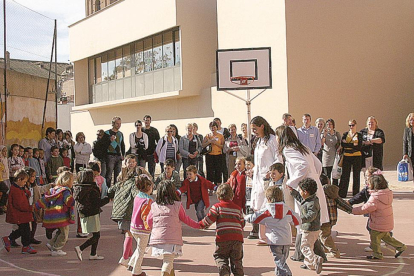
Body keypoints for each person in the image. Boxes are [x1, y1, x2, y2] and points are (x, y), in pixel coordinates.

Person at [274, 125, 329, 262]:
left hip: (303, 189)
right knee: (308, 221)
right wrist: (314, 177)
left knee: (303, 220)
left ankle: (305, 255)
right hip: (312, 184)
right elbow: (318, 165)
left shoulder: (288, 149)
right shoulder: (303, 147)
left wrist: (291, 183)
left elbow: (302, 166)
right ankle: (305, 254)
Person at [147, 180, 200, 276]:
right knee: (167, 261)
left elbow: (149, 220)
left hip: (157, 237)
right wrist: (199, 225)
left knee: (168, 260)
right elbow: (186, 219)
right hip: (172, 238)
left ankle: (169, 273)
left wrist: (152, 229)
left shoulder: (154, 206)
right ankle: (164, 272)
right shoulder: (177, 205)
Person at [245, 186, 301, 276]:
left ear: (268, 198)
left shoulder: (266, 211)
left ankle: (287, 274)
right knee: (282, 260)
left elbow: (253, 218)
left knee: (279, 262)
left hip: (274, 240)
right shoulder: (288, 210)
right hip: (287, 239)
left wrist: (244, 217)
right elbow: (297, 220)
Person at [107, 155, 151, 267]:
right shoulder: (134, 184)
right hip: (127, 212)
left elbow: (110, 190)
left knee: (128, 234)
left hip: (119, 212)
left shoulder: (122, 182)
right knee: (129, 235)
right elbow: (137, 196)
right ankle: (125, 257)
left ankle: (129, 255)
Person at [352, 174, 407, 260]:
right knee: (387, 237)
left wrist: (352, 210)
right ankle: (401, 246)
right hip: (387, 222)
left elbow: (365, 208)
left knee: (375, 240)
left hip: (377, 223)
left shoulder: (375, 197)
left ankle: (377, 254)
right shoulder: (387, 193)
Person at [199, 184, 245, 276]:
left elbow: (208, 220)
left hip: (223, 238)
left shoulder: (217, 207)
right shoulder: (238, 209)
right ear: (232, 196)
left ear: (218, 195)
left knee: (220, 256)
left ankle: (224, 272)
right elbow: (242, 224)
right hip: (237, 239)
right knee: (237, 261)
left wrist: (200, 225)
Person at [250, 116, 282, 244]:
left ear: (262, 126)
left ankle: (270, 235)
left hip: (268, 178)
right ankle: (262, 236)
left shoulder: (272, 140)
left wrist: (272, 171)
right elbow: (258, 161)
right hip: (258, 178)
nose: (254, 131)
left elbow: (278, 158)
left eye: (255, 128)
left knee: (268, 206)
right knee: (258, 206)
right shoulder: (258, 141)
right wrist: (252, 170)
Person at [35, 171, 75, 256]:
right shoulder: (65, 191)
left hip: (52, 215)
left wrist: (36, 206)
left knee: (60, 232)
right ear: (67, 181)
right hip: (62, 215)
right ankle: (57, 249)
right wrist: (73, 201)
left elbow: (44, 199)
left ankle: (51, 243)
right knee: (64, 234)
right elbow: (68, 201)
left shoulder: (53, 190)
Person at [73, 169, 110, 261]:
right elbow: (97, 203)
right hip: (92, 213)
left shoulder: (78, 188)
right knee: (96, 235)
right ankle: (80, 248)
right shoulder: (92, 189)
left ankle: (93, 253)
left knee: (96, 233)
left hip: (84, 213)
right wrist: (107, 199)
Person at [289, 178, 324, 274]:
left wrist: (300, 219)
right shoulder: (310, 199)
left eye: (300, 190)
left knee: (304, 247)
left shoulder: (312, 203)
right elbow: (300, 199)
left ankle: (315, 259)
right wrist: (294, 192)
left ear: (305, 192)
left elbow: (311, 215)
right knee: (309, 246)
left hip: (310, 229)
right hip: (312, 229)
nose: (300, 192)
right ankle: (310, 264)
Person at [2, 169, 37, 254]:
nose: (25, 183)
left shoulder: (18, 187)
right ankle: (26, 246)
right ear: (19, 180)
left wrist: (27, 192)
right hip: (19, 214)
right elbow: (19, 205)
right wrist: (30, 208)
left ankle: (10, 239)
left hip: (21, 214)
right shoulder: (15, 190)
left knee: (22, 230)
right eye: (24, 181)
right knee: (26, 230)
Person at [319, 174, 352, 258]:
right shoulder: (333, 193)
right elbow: (341, 203)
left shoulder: (320, 194)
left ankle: (334, 252)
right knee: (323, 235)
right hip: (331, 218)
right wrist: (350, 210)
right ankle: (325, 249)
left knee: (324, 236)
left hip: (323, 219)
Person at [129, 174, 154, 276]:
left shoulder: (137, 196)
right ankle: (137, 270)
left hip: (134, 227)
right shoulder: (148, 200)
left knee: (139, 247)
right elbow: (147, 216)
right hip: (143, 229)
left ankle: (131, 263)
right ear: (149, 187)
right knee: (141, 250)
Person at [24, 167, 54, 245]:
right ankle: (12, 238)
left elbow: (40, 189)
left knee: (34, 222)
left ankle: (31, 238)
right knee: (21, 227)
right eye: (32, 176)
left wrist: (50, 186)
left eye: (34, 176)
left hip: (32, 207)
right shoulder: (23, 186)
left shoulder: (33, 186)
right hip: (24, 208)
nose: (34, 178)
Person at [339, 119, 363, 198]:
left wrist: (348, 144)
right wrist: (353, 145)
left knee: (356, 175)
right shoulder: (345, 134)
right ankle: (342, 193)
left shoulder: (359, 135)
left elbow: (359, 146)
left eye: (353, 125)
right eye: (350, 125)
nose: (351, 127)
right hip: (347, 156)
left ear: (356, 125)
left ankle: (356, 194)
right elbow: (343, 145)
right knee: (345, 175)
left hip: (357, 156)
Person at [105, 116, 125, 187]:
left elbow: (122, 145)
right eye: (117, 123)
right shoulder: (107, 133)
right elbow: (103, 144)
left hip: (118, 156)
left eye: (120, 123)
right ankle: (107, 190)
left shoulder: (120, 134)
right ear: (113, 123)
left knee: (118, 175)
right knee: (109, 175)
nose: (119, 125)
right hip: (110, 155)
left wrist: (123, 154)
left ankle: (116, 191)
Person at [202, 121, 225, 185]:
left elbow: (222, 146)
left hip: (218, 155)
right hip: (209, 155)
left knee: (218, 171)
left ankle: (218, 185)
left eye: (214, 127)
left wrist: (216, 143)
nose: (213, 129)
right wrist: (209, 142)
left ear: (217, 127)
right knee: (210, 171)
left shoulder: (221, 136)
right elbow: (203, 145)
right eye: (211, 127)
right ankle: (210, 187)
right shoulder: (207, 136)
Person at [321, 119, 342, 186]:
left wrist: (339, 148)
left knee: (335, 175)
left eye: (330, 124)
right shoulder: (324, 133)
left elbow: (341, 143)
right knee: (327, 174)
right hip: (327, 157)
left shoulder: (337, 134)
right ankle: (327, 189)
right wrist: (324, 134)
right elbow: (322, 143)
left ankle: (335, 189)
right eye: (327, 125)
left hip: (335, 156)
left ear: (333, 125)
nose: (329, 126)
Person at [245, 155, 259, 239]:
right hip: (248, 194)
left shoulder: (255, 172)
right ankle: (254, 229)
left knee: (253, 212)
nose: (247, 167)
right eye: (246, 164)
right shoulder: (247, 173)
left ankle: (255, 230)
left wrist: (252, 176)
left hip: (254, 194)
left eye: (249, 164)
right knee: (249, 213)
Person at [143, 115, 160, 179]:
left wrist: (156, 152)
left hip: (151, 153)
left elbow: (158, 142)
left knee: (151, 171)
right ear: (143, 121)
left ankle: (151, 183)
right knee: (141, 170)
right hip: (143, 154)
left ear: (150, 121)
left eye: (148, 120)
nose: (146, 122)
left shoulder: (154, 130)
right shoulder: (141, 130)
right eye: (145, 120)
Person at [214, 118, 230, 183]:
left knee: (225, 169)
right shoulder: (213, 133)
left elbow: (228, 139)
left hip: (223, 152)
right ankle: (218, 183)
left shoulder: (225, 130)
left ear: (220, 123)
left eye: (218, 122)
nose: (217, 124)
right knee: (217, 169)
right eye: (216, 123)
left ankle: (226, 183)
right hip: (216, 153)